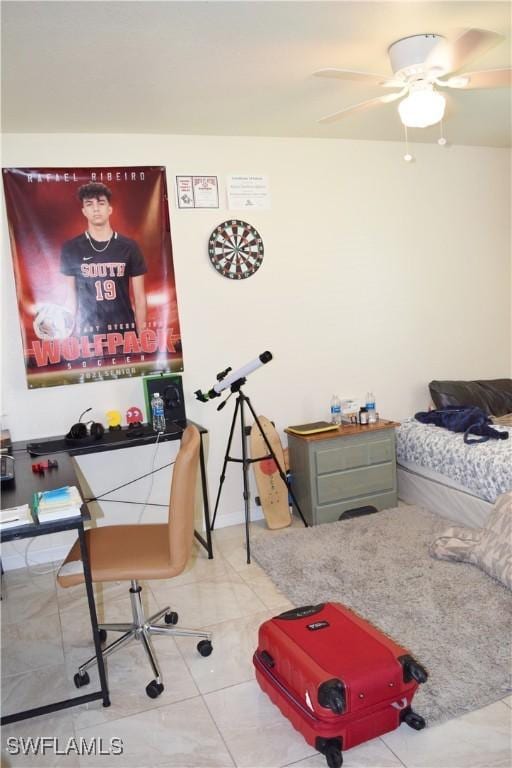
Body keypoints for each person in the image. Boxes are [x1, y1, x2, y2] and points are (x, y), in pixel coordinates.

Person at [60, 182, 147, 336]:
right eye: (89, 204)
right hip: (86, 333)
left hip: (124, 332)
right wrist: (66, 336)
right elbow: (70, 298)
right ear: (84, 211)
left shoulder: (129, 246)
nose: (95, 208)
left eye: (101, 203)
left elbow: (140, 298)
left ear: (109, 209)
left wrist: (142, 335)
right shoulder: (70, 248)